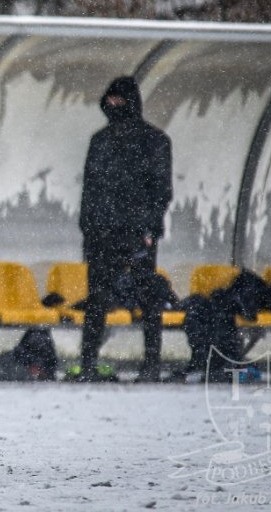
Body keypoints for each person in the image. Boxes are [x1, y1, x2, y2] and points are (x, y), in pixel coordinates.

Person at [78, 76, 173, 383]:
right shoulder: (102, 140)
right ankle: (89, 363)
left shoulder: (153, 141)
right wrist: (88, 230)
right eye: (111, 100)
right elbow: (90, 192)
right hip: (104, 235)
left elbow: (160, 191)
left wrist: (149, 228)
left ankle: (150, 363)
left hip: (135, 235)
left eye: (119, 100)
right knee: (98, 301)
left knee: (146, 300)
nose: (113, 106)